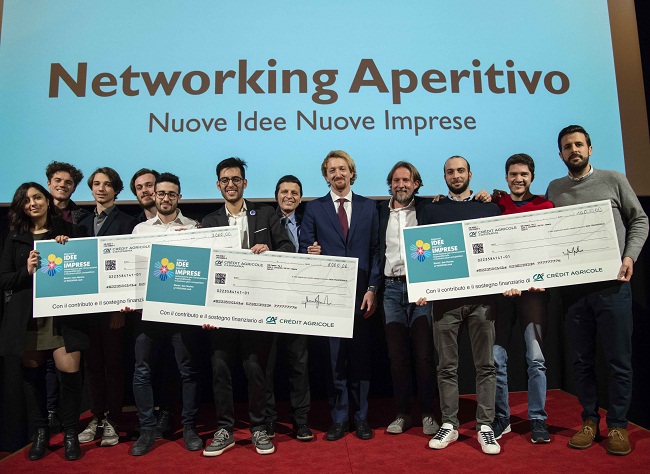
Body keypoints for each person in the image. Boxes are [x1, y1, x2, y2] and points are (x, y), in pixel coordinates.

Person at [546, 125, 648, 456]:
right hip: (573, 292)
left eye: (579, 144)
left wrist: (629, 256)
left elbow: (640, 220)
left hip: (613, 287)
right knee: (581, 361)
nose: (573, 150)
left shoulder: (613, 179)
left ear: (590, 149)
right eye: (567, 146)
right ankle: (589, 421)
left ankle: (617, 425)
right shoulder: (554, 188)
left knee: (618, 360)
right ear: (560, 154)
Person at [202, 157, 294, 457]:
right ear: (218, 185)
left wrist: (270, 250)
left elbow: (288, 248)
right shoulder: (209, 222)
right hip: (222, 309)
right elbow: (203, 268)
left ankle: (259, 428)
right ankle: (224, 429)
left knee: (256, 370)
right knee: (220, 369)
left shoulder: (265, 213)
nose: (230, 184)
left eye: (235, 179)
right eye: (225, 180)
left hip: (257, 307)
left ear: (245, 183)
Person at [419, 156, 502, 455]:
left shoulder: (489, 208)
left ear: (470, 174)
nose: (456, 176)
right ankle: (450, 424)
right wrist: (422, 286)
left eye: (460, 171)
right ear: (444, 177)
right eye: (450, 172)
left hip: (482, 301)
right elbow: (422, 252)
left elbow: (499, 250)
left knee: (486, 366)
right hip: (445, 302)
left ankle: (485, 427)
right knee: (446, 367)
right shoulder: (432, 210)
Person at [0, 183, 88, 460]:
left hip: (63, 316)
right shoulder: (15, 237)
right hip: (28, 317)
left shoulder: (69, 232)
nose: (33, 204)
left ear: (48, 201)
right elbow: (4, 279)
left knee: (69, 373)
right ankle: (40, 432)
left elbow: (85, 269)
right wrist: (26, 271)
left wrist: (68, 246)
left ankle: (71, 432)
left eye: (37, 197)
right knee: (32, 376)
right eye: (26, 201)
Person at [299, 150, 381, 441]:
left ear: (351, 172)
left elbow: (376, 251)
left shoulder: (369, 207)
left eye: (342, 169)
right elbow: (304, 248)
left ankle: (361, 418)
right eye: (331, 170)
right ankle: (339, 418)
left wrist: (372, 289)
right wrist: (310, 252)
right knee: (335, 361)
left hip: (362, 296)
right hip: (329, 297)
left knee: (360, 360)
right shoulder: (314, 208)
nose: (338, 174)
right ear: (326, 176)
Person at [128, 172, 203, 455]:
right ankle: (147, 430)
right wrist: (125, 298)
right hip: (147, 313)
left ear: (179, 197)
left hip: (182, 313)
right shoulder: (140, 230)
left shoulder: (195, 228)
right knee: (142, 372)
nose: (166, 198)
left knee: (188, 371)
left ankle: (189, 427)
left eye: (172, 194)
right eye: (161, 193)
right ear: (154, 196)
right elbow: (130, 271)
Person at [490, 154, 554, 443]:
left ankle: (538, 419)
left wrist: (544, 279)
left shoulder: (546, 206)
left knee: (536, 358)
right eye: (513, 174)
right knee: (496, 359)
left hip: (533, 294)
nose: (518, 179)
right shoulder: (495, 206)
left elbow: (552, 249)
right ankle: (501, 417)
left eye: (524, 174)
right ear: (506, 177)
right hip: (502, 293)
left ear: (532, 177)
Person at [77, 167, 138, 447]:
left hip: (113, 308)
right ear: (91, 188)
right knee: (92, 365)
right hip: (87, 306)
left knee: (114, 364)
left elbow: (129, 266)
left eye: (107, 184)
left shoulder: (127, 222)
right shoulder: (81, 223)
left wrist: (118, 308)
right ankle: (97, 417)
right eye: (97, 184)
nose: (101, 189)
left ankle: (113, 419)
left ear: (116, 189)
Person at [378, 162, 438, 436]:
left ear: (416, 184)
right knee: (397, 356)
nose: (401, 184)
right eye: (396, 180)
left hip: (421, 289)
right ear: (390, 184)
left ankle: (428, 413)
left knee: (424, 355)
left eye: (406, 180)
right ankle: (402, 413)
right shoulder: (380, 212)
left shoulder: (428, 209)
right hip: (391, 289)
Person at [264, 175, 313, 442]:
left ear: (300, 198)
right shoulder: (263, 221)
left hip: (298, 303)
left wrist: (316, 254)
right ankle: (269, 420)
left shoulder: (309, 222)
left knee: (299, 365)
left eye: (294, 192)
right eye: (284, 192)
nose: (289, 196)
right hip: (268, 302)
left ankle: (301, 421)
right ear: (276, 195)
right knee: (267, 366)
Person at [44, 161, 90, 432]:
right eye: (58, 181)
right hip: (39, 298)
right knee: (44, 365)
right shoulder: (33, 211)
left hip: (70, 298)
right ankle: (49, 416)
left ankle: (68, 423)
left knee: (68, 363)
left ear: (74, 187)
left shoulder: (81, 217)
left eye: (68, 182)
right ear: (49, 183)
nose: (62, 185)